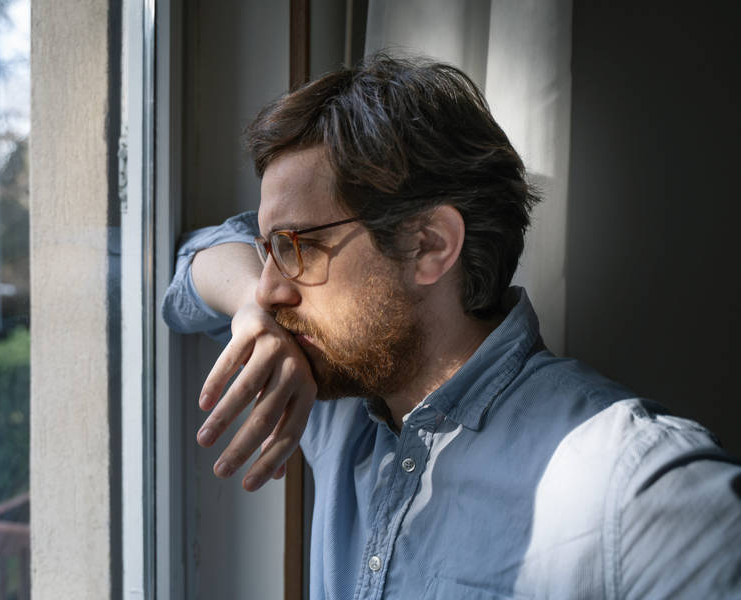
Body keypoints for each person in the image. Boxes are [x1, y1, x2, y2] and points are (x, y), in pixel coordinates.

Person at [161, 55, 741, 598]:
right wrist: (250, 313)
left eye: (298, 247)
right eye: (266, 249)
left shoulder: (632, 484)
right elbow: (193, 262)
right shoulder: (332, 393)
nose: (269, 289)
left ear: (429, 245)